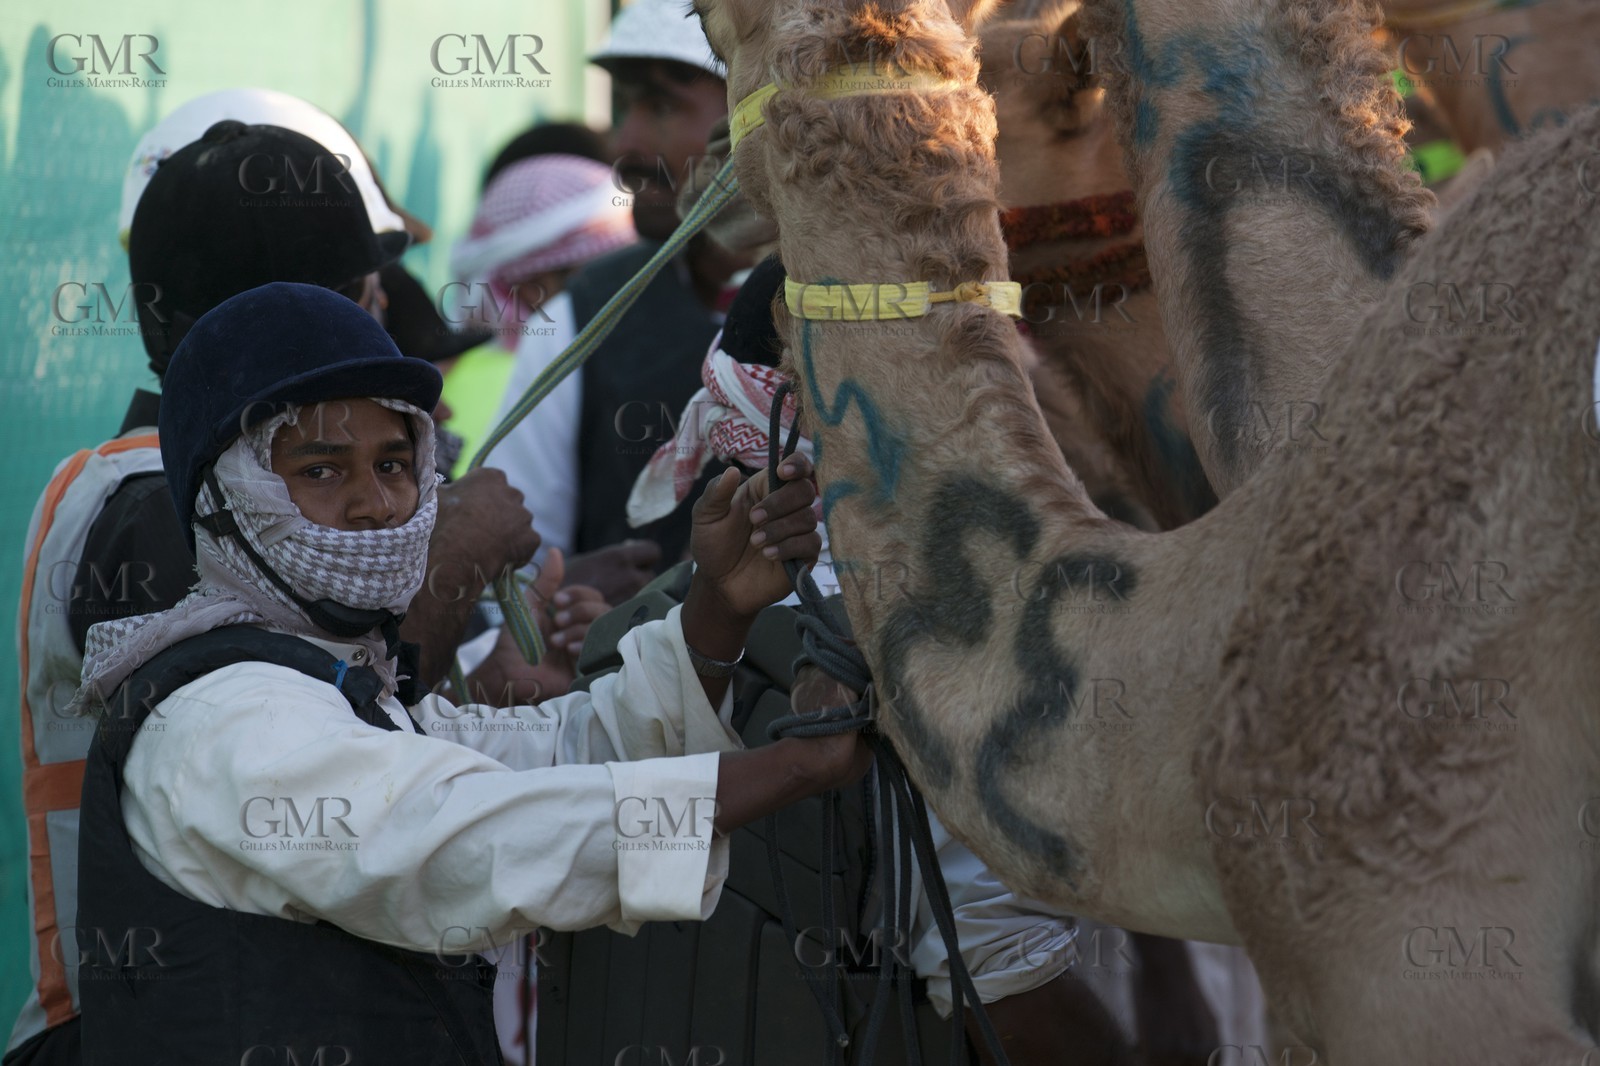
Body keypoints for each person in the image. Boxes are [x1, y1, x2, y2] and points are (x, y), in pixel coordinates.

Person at [69, 281, 868, 1065]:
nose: (374, 504)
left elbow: (567, 757)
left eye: (392, 463)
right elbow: (465, 842)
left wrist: (718, 609)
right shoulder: (222, 717)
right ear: (226, 497)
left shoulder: (342, 691)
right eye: (320, 471)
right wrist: (797, 765)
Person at [6, 107, 533, 1065]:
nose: (375, 319)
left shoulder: (138, 483)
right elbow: (335, 758)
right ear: (284, 319)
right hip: (139, 1027)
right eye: (365, 295)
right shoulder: (166, 505)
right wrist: (458, 556)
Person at [485, 0, 747, 572]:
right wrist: (571, 612)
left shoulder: (855, 311)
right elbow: (516, 575)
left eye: (661, 105)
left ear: (756, 108)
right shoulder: (583, 316)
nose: (620, 146)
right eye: (623, 105)